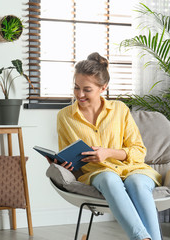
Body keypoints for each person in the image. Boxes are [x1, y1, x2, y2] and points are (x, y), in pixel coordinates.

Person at [50, 52, 163, 240]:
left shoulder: (120, 109)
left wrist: (108, 153)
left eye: (87, 89)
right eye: (76, 88)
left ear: (103, 87)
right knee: (109, 179)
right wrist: (65, 164)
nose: (80, 94)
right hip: (98, 173)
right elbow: (67, 156)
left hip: (134, 170)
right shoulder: (65, 116)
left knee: (136, 183)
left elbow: (139, 151)